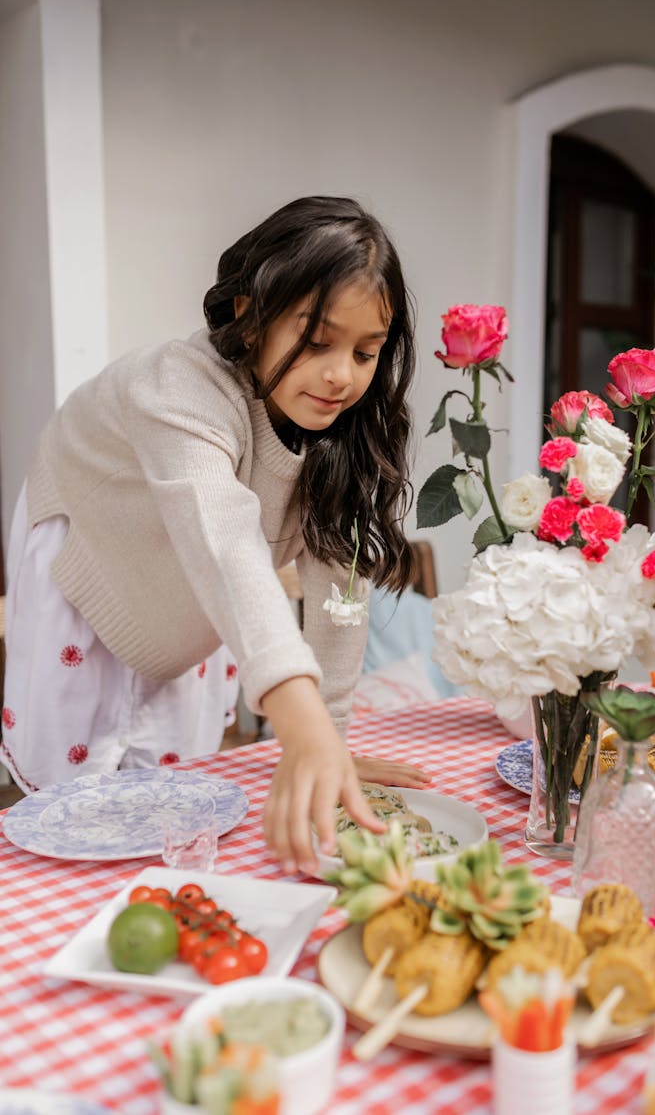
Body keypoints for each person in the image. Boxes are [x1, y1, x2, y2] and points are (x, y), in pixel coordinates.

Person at [1, 195, 430, 873]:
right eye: (316, 340)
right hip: (93, 553)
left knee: (175, 799)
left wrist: (330, 741)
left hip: (202, 582)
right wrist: (303, 726)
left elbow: (341, 601)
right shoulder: (177, 389)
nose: (341, 375)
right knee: (75, 814)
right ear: (250, 314)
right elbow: (228, 543)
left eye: (365, 351)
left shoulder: (342, 432)